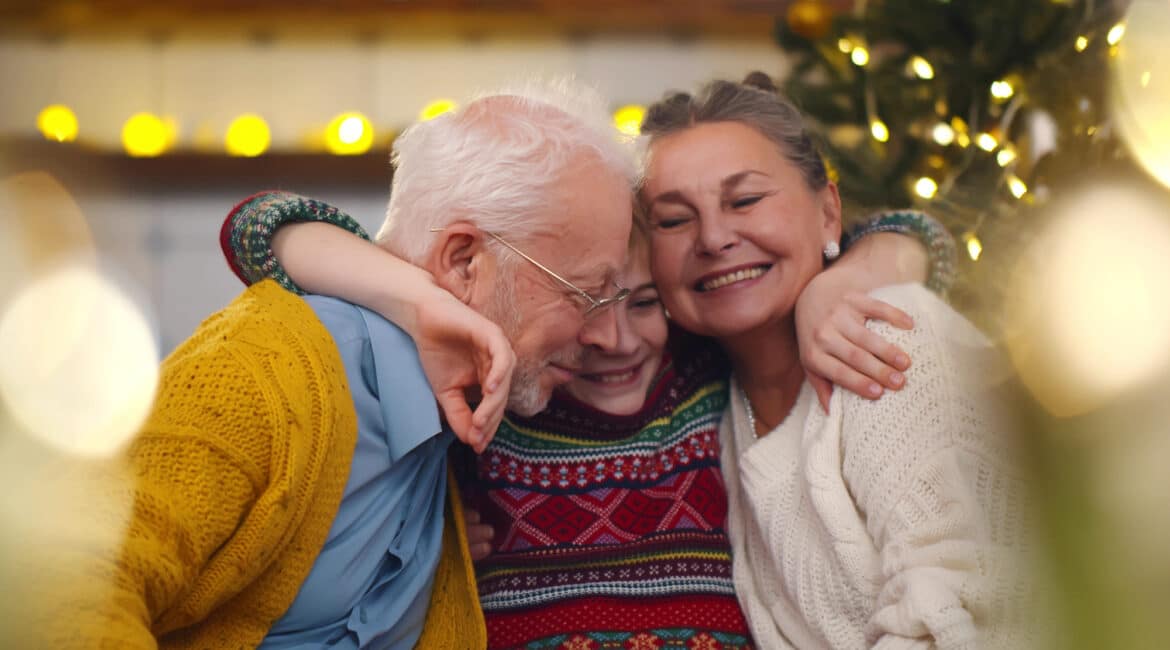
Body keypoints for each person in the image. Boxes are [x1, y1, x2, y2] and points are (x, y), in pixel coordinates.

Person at [22, 79, 640, 649]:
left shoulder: (474, 410)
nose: (611, 335)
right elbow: (58, 588)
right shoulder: (261, 375)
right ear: (463, 262)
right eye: (587, 294)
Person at [218, 173, 954, 647]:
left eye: (642, 303)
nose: (611, 338)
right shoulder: (499, 381)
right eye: (582, 301)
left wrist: (838, 281)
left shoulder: (696, 372)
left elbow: (917, 234)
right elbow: (262, 225)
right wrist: (420, 301)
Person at [638, 73, 1033, 647]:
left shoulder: (891, 337)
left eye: (745, 200)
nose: (714, 238)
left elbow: (957, 614)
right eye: (673, 220)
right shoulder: (706, 406)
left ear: (828, 213)